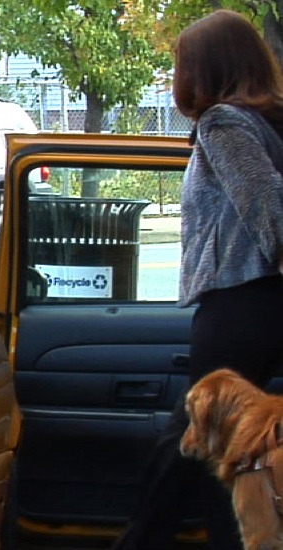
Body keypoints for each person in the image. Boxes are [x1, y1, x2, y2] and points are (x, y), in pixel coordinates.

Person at [110, 9, 283, 550]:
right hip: (267, 299)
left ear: (206, 70)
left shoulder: (224, 124)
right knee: (235, 437)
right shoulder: (274, 120)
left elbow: (267, 204)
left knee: (197, 434)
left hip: (243, 299)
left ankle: (141, 541)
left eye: (180, 66)